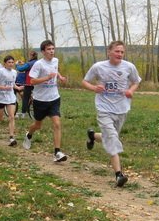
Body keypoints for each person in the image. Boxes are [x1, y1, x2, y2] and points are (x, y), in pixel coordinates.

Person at [82, 41, 141, 187]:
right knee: (113, 138)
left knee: (109, 137)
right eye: (117, 51)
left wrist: (130, 91)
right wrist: (94, 88)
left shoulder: (129, 67)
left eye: (122, 52)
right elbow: (85, 82)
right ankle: (118, 175)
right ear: (109, 52)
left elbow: (136, 82)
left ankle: (93, 136)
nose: (120, 54)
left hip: (122, 108)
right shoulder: (98, 66)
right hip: (104, 108)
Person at [22, 40, 68, 162]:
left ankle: (57, 152)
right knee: (37, 125)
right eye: (48, 49)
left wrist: (60, 77)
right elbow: (32, 81)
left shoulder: (56, 60)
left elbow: (55, 70)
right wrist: (47, 78)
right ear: (43, 52)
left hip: (54, 98)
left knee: (57, 124)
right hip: (40, 100)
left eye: (53, 49)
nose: (51, 51)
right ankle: (29, 134)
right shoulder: (38, 64)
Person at [0, 55, 23, 146]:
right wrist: (3, 87)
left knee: (12, 117)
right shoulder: (0, 71)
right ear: (4, 63)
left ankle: (11, 137)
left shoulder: (14, 72)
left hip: (10, 97)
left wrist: (18, 88)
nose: (11, 64)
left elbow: (12, 84)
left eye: (12, 62)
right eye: (9, 62)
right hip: (0, 97)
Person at [16, 50, 38, 118]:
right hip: (37, 83)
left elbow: (20, 69)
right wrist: (24, 63)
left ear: (32, 56)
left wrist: (17, 64)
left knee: (25, 98)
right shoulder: (38, 62)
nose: (29, 56)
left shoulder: (29, 64)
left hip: (29, 83)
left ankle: (23, 113)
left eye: (29, 55)